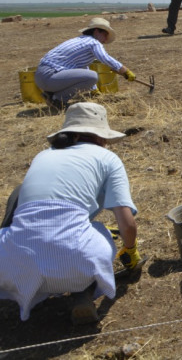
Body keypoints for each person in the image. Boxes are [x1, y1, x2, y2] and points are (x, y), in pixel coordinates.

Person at [0, 103, 141, 324]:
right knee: (100, 232)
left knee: (17, 200)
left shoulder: (43, 156)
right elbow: (127, 223)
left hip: (14, 269)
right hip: (74, 264)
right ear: (101, 137)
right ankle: (83, 293)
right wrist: (130, 251)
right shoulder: (107, 158)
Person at [35, 18, 136, 107]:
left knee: (90, 76)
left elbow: (82, 68)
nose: (105, 40)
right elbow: (105, 58)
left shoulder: (81, 41)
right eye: (105, 35)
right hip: (50, 75)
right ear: (96, 31)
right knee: (93, 76)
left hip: (42, 77)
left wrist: (94, 89)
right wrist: (125, 71)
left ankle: (51, 94)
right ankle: (57, 100)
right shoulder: (93, 42)